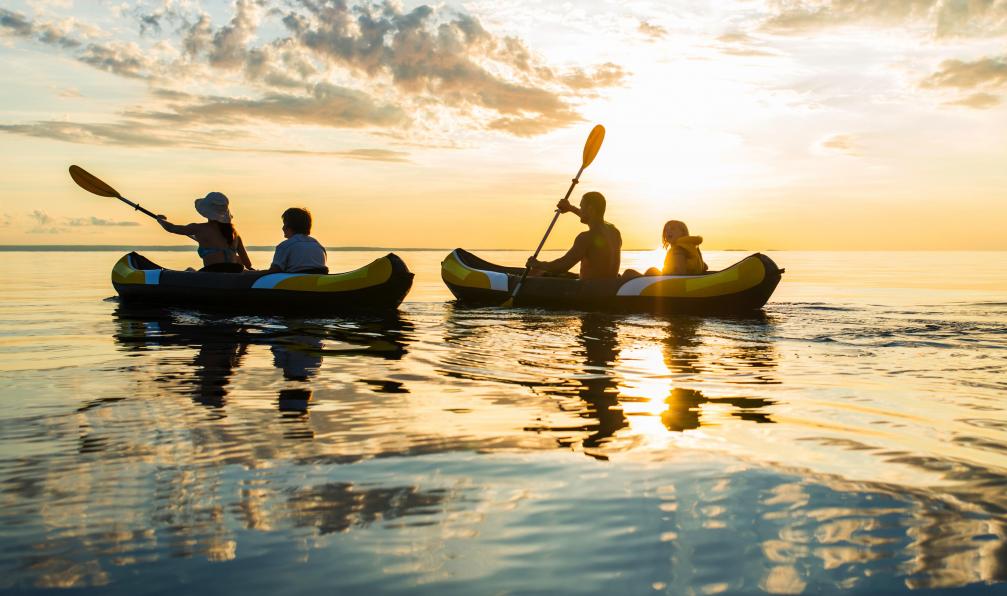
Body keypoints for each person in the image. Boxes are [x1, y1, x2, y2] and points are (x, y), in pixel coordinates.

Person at [526, 191, 622, 280]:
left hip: (589, 290)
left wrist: (537, 264)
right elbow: (594, 219)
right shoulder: (614, 232)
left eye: (582, 207)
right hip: (608, 287)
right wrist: (570, 208)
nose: (580, 210)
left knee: (536, 272)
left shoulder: (586, 237)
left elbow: (562, 266)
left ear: (590, 209)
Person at [156, 192, 252, 273]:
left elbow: (172, 228)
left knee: (189, 270)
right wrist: (232, 257)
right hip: (235, 271)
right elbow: (247, 264)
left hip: (213, 272)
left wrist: (160, 220)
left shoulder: (200, 228)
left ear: (206, 211)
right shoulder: (234, 233)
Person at [268, 207, 328, 274]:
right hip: (315, 283)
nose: (283, 228)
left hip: (294, 283)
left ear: (290, 226)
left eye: (284, 224)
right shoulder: (319, 247)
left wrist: (255, 273)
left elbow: (273, 272)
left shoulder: (285, 246)